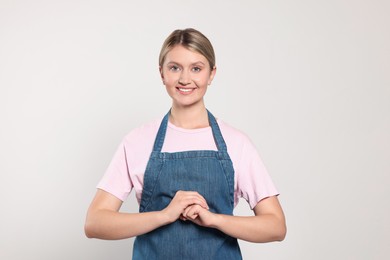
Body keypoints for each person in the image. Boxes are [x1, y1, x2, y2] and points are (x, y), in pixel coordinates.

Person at [85, 28, 286, 259]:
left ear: (211, 74)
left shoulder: (236, 143)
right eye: (174, 67)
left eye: (196, 69)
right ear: (162, 73)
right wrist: (164, 215)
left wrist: (214, 220)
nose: (185, 79)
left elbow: (276, 226)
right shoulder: (138, 141)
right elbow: (95, 222)